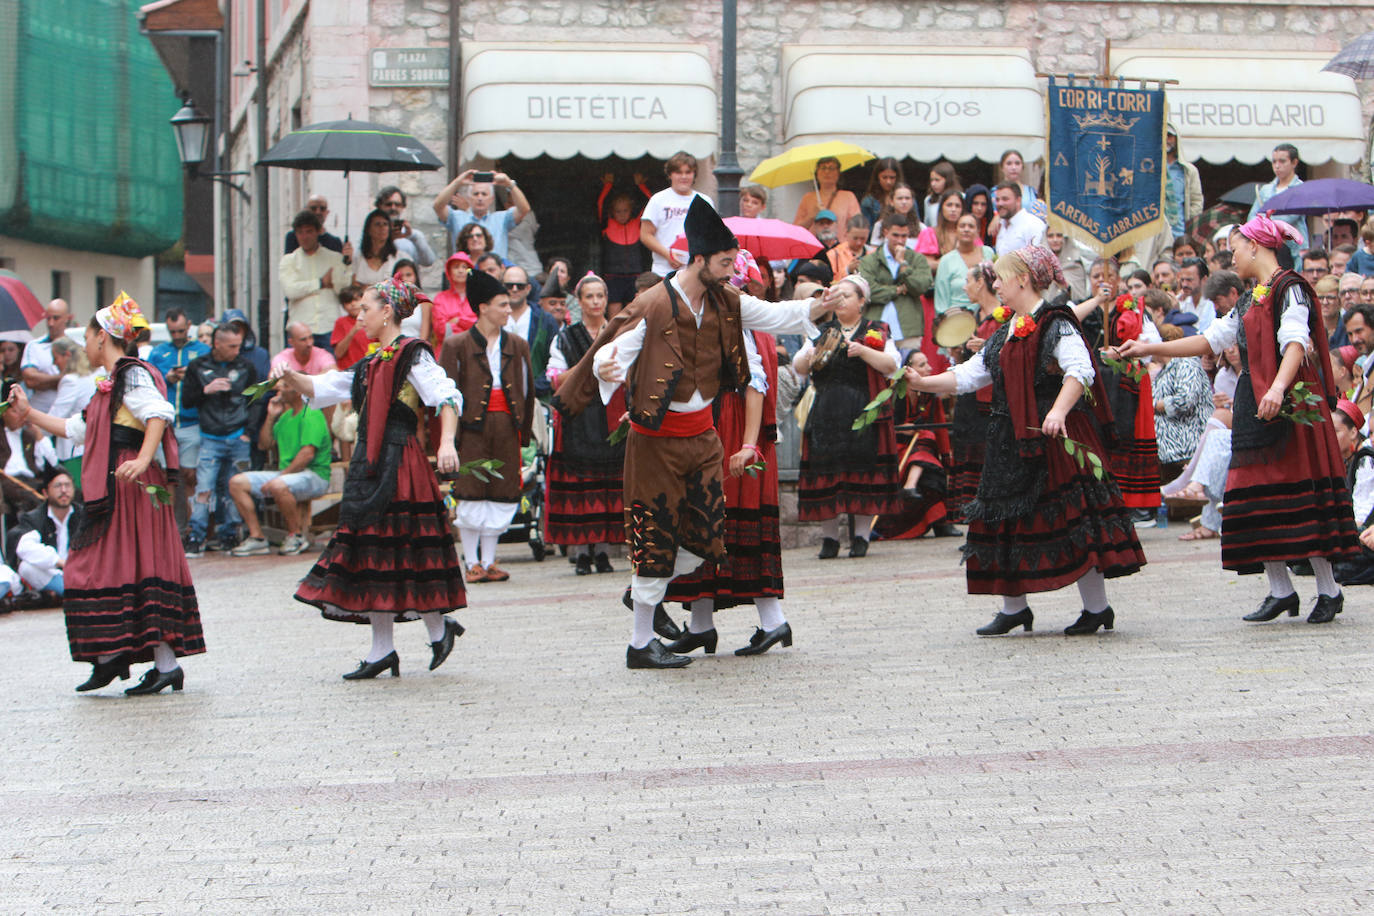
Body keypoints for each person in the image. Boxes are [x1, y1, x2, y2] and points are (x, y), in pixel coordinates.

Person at [553, 196, 837, 669]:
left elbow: (773, 315)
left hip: (703, 440)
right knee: (653, 537)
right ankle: (640, 643)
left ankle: (651, 596)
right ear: (699, 260)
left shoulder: (725, 300)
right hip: (656, 440)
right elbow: (620, 349)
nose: (731, 271)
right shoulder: (655, 303)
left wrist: (817, 305)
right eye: (725, 263)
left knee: (706, 540)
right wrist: (608, 368)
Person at [1116, 215, 1358, 624]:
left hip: (1289, 404)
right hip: (1255, 403)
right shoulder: (1250, 298)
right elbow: (1212, 339)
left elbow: (1295, 343)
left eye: (1237, 246)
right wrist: (1147, 349)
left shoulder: (1290, 288)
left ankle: (1328, 590)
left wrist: (1279, 388)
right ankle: (1281, 591)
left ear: (1256, 247)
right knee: (1255, 498)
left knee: (1302, 497)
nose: (1232, 254)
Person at [906, 246, 1144, 637]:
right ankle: (1014, 608)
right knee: (1005, 518)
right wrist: (923, 383)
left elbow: (1080, 370)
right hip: (1010, 435)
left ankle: (1097, 608)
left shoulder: (1057, 322)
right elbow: (969, 376)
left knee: (1075, 519)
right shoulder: (1008, 329)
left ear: (1023, 279)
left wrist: (1058, 412)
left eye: (1000, 277)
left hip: (1053, 434)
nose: (995, 284)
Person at [11, 293, 204, 694]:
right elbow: (75, 430)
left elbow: (158, 414)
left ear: (103, 337)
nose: (84, 344)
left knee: (136, 567)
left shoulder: (131, 374)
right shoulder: (108, 385)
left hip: (130, 488)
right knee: (102, 569)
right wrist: (27, 414)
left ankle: (157, 664)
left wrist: (142, 459)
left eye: (89, 335)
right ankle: (111, 658)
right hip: (113, 488)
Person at [276, 278, 466, 679]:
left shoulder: (412, 356)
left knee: (403, 548)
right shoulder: (368, 363)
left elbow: (446, 397)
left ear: (387, 312)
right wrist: (291, 377)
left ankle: (433, 631)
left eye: (365, 309)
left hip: (400, 461)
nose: (358, 315)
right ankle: (387, 649)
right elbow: (324, 387)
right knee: (374, 552)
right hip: (370, 461)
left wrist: (446, 442)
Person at [661, 321, 794, 656]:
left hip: (727, 424)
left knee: (719, 519)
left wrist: (748, 443)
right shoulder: (709, 319)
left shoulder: (734, 325)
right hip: (707, 418)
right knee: (702, 522)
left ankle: (772, 620)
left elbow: (755, 383)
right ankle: (702, 626)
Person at [792, 274, 901, 559]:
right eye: (836, 296)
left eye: (847, 295)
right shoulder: (823, 330)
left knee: (861, 470)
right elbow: (799, 367)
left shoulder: (876, 329)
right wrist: (811, 355)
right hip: (827, 410)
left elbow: (892, 365)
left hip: (862, 410)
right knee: (827, 472)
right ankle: (830, 539)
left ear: (862, 301)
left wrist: (863, 350)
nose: (841, 301)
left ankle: (861, 537)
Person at [438, 270, 534, 584]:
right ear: (483, 307)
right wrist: (448, 437)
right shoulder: (457, 345)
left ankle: (490, 561)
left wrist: (524, 428)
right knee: (470, 490)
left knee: (501, 490)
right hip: (471, 428)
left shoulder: (518, 344)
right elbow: (446, 394)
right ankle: (471, 561)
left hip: (507, 424)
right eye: (502, 304)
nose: (509, 309)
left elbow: (527, 388)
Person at [544, 273, 625, 575]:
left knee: (608, 485)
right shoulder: (564, 337)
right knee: (581, 487)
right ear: (578, 302)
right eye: (589, 297)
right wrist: (589, 363)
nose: (595, 302)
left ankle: (603, 552)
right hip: (578, 415)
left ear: (606, 299)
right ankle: (581, 553)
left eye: (600, 296)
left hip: (611, 414)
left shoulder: (619, 333)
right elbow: (554, 379)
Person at [227, 381, 331, 557]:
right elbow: (263, 445)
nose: (279, 389)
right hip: (288, 474)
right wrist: (270, 416)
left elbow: (307, 455)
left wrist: (280, 477)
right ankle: (257, 538)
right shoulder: (286, 416)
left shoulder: (311, 413)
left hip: (315, 475)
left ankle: (296, 536)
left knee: (278, 485)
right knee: (237, 482)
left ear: (299, 391)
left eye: (285, 386)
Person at [181, 323, 258, 556]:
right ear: (217, 344)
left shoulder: (246, 366)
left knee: (233, 487)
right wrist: (206, 390)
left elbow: (256, 399)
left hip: (238, 436)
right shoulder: (198, 366)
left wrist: (249, 432)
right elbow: (185, 401)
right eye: (232, 346)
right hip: (210, 437)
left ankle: (231, 534)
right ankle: (196, 535)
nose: (237, 350)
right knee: (204, 487)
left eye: (239, 345)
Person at [875, 351, 959, 541]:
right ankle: (940, 523)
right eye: (922, 365)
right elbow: (882, 425)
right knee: (928, 447)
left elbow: (939, 429)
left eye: (927, 363)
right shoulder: (893, 393)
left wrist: (946, 457)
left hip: (923, 448)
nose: (929, 368)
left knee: (931, 456)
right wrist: (899, 429)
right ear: (909, 369)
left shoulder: (931, 395)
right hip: (897, 448)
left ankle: (932, 512)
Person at [947, 261, 1004, 518]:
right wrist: (958, 353)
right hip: (970, 398)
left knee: (988, 457)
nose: (965, 286)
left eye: (968, 281)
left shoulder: (1007, 316)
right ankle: (971, 519)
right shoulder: (969, 317)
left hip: (993, 399)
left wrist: (987, 346)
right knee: (968, 453)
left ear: (981, 282)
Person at [147, 308, 209, 531]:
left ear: (189, 326)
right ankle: (171, 529)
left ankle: (192, 528)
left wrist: (191, 377)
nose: (177, 336)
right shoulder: (159, 353)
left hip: (192, 423)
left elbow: (211, 381)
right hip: (166, 425)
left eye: (181, 331)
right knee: (167, 477)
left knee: (190, 477)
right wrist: (167, 378)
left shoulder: (202, 351)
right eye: (172, 332)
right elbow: (149, 383)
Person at [279, 209, 354, 348]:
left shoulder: (334, 258)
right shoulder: (288, 261)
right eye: (300, 232)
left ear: (318, 232)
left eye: (309, 231)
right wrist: (320, 283)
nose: (304, 236)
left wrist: (347, 263)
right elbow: (290, 290)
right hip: (300, 328)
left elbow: (341, 288)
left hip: (329, 327)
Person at [857, 212, 932, 349]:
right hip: (876, 327)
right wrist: (898, 290)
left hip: (908, 328)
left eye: (904, 236)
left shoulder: (917, 258)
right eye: (895, 235)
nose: (900, 241)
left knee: (909, 369)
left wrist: (903, 264)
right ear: (886, 233)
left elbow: (921, 286)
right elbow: (868, 291)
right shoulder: (870, 260)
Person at [9, 466, 82, 602]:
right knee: (26, 567)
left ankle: (69, 593)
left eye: (67, 485)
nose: (64, 490)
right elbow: (24, 547)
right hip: (54, 573)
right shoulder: (34, 518)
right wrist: (59, 562)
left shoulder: (83, 515)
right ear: (45, 492)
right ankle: (69, 592)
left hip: (80, 573)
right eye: (58, 486)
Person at [433, 168, 531, 261]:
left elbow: (524, 209)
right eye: (476, 194)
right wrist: (457, 182)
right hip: (466, 274)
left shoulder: (501, 219)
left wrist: (509, 184)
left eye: (484, 194)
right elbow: (438, 206)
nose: (480, 198)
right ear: (469, 198)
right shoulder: (457, 217)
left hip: (494, 274)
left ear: (492, 199)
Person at [641, 152, 712, 276]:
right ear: (670, 175)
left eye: (688, 172)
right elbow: (645, 234)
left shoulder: (705, 201)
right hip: (664, 271)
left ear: (694, 174)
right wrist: (668, 255)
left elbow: (710, 235)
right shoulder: (658, 200)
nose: (683, 176)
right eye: (679, 172)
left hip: (695, 271)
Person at [1152, 348, 1212, 479]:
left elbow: (1185, 399)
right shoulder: (1165, 370)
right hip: (1166, 454)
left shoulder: (1186, 363)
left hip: (1186, 450)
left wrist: (1155, 406)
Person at [597, 172, 653, 310]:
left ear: (631, 210)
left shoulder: (637, 224)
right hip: (613, 275)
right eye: (618, 211)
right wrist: (608, 185)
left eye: (625, 211)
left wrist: (640, 185)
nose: (622, 215)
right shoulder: (607, 224)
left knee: (633, 314)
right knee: (614, 315)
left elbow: (652, 204)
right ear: (612, 212)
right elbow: (601, 204)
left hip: (635, 275)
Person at [504, 265, 559, 400]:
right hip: (500, 397)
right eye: (509, 285)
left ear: (528, 288)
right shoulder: (492, 320)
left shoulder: (545, 320)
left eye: (520, 286)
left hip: (537, 399)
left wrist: (532, 388)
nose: (514, 289)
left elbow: (555, 363)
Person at [934, 213, 996, 316]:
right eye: (962, 226)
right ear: (956, 230)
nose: (966, 229)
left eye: (971, 226)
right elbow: (941, 302)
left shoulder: (988, 253)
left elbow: (996, 288)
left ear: (978, 231)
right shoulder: (946, 261)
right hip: (957, 320)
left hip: (988, 317)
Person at [21, 298, 72, 413]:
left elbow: (82, 379)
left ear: (67, 318)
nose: (51, 323)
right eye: (48, 318)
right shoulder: (34, 345)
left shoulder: (78, 345)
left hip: (68, 415)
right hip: (39, 413)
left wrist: (43, 381)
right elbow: (30, 380)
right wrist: (62, 379)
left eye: (56, 318)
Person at [1248, 144, 1306, 244]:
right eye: (1274, 162)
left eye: (1282, 161)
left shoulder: (1301, 188)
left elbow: (1289, 217)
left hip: (1293, 247)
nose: (1277, 166)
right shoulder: (1266, 189)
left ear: (1294, 163)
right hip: (1268, 245)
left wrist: (1263, 223)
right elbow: (1252, 217)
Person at [793, 156, 861, 232]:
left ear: (838, 173)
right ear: (817, 173)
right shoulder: (807, 198)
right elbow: (795, 229)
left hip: (840, 243)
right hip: (814, 243)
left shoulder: (848, 197)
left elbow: (857, 225)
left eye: (831, 168)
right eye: (823, 168)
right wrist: (811, 216)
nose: (827, 172)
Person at [375, 186, 436, 268]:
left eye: (397, 204)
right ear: (380, 206)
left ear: (403, 207)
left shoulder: (413, 236)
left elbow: (428, 261)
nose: (393, 208)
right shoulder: (371, 233)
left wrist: (412, 235)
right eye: (388, 204)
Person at [1164, 124, 1204, 239]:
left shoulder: (1188, 170)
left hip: (1180, 232)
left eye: (1169, 136)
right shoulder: (1150, 168)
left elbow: (1196, 201)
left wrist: (1188, 223)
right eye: (1163, 135)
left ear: (1176, 139)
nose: (1166, 139)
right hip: (1156, 234)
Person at [431, 253, 476, 347]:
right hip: (447, 352)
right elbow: (440, 331)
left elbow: (482, 327)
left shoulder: (478, 297)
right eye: (456, 267)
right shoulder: (440, 298)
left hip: (474, 351)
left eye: (464, 267)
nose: (461, 271)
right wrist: (468, 325)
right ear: (449, 272)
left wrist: (458, 320)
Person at [914, 189, 964, 273]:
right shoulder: (930, 233)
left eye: (957, 206)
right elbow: (925, 264)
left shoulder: (968, 233)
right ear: (942, 208)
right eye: (949, 205)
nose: (953, 209)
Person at [992, 182, 1046, 256]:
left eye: (1005, 199)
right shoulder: (1002, 227)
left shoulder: (1033, 225)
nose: (1000, 204)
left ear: (1018, 200)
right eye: (997, 200)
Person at [352, 209, 399, 286]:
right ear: (368, 230)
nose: (382, 228)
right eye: (377, 224)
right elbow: (352, 284)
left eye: (385, 224)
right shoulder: (357, 258)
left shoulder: (399, 257)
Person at [330, 284, 371, 370]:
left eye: (356, 300)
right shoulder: (340, 322)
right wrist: (353, 331)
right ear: (343, 306)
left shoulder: (373, 318)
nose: (353, 304)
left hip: (369, 369)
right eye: (348, 302)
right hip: (348, 371)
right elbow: (338, 353)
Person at [273, 321, 337, 376]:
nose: (309, 343)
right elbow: (274, 381)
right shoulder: (283, 357)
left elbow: (334, 374)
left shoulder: (322, 354)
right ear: (291, 342)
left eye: (311, 337)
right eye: (303, 340)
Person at [860, 157, 903, 229]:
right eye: (884, 177)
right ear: (877, 177)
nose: (888, 182)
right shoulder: (869, 202)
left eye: (892, 178)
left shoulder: (907, 199)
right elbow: (865, 230)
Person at [1174, 257, 1215, 332]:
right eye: (1182, 280)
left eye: (1189, 280)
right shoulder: (1180, 302)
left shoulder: (1213, 303)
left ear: (1204, 279)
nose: (1184, 284)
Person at [828, 214, 871, 279]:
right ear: (846, 233)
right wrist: (847, 270)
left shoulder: (873, 254)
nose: (858, 242)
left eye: (863, 238)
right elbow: (828, 279)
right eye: (855, 238)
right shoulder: (834, 254)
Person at [923, 162, 962, 228]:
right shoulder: (929, 200)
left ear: (947, 180)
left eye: (937, 180)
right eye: (931, 180)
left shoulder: (961, 197)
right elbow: (927, 224)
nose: (933, 184)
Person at [1315, 275, 1347, 349]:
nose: (1325, 302)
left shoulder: (1347, 329)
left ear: (1340, 300)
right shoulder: (1311, 328)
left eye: (1330, 298)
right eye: (1320, 298)